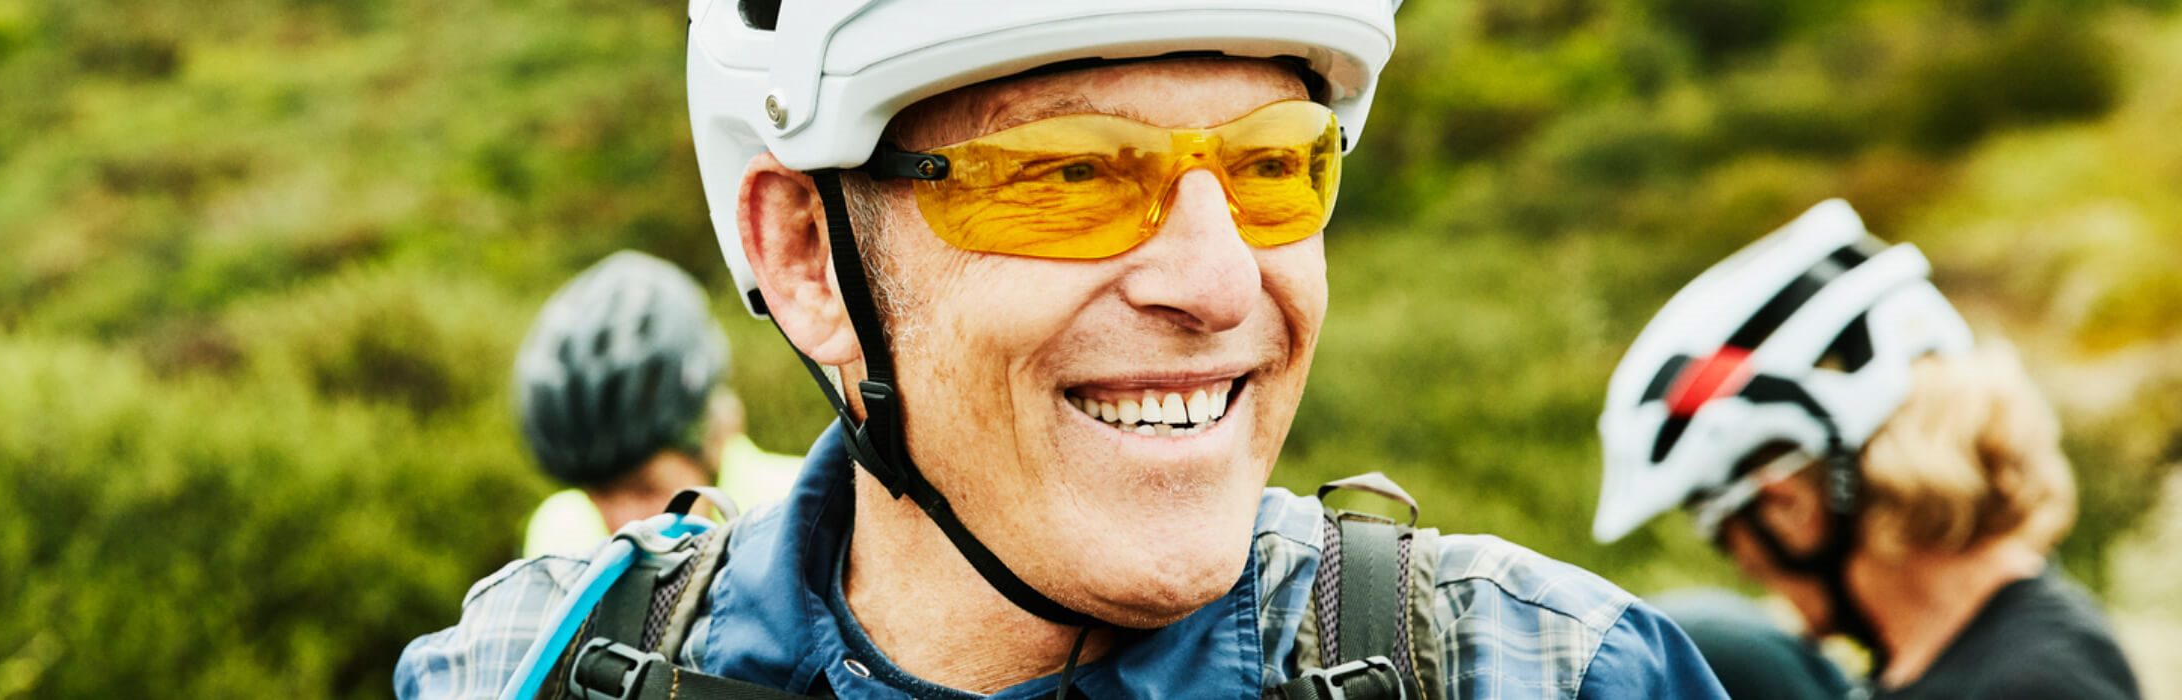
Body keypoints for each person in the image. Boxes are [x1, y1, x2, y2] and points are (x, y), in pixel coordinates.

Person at [397, 0, 1726, 697]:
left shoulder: (1548, 674)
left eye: (1274, 169)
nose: (1217, 283)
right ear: (808, 254)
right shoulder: (518, 673)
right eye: (1073, 175)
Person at [1592, 199, 2141, 699]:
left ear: (1787, 507)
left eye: (1725, 537)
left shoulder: (2031, 686)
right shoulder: (1981, 650)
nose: (1746, 574)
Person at [513, 250, 804, 558]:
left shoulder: (807, 509)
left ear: (713, 440)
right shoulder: (561, 532)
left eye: (645, 489)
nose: (624, 525)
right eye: (599, 494)